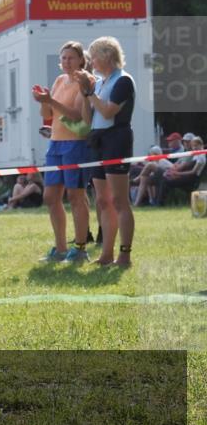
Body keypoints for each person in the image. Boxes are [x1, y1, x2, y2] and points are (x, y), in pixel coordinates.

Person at [75, 36, 136, 267]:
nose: (90, 62)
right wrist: (84, 93)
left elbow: (109, 112)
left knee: (120, 200)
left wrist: (91, 93)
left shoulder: (123, 81)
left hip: (116, 139)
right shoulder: (99, 82)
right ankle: (106, 254)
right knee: (102, 201)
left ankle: (125, 254)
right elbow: (87, 118)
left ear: (107, 56)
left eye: (93, 57)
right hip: (98, 139)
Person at [31, 41, 92, 264]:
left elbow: (77, 115)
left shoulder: (86, 81)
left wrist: (51, 101)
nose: (66, 62)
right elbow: (47, 113)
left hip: (76, 143)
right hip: (55, 142)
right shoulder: (59, 80)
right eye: (64, 58)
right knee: (50, 196)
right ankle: (60, 248)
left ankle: (80, 247)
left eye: (71, 58)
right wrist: (43, 100)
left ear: (81, 60)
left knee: (76, 195)